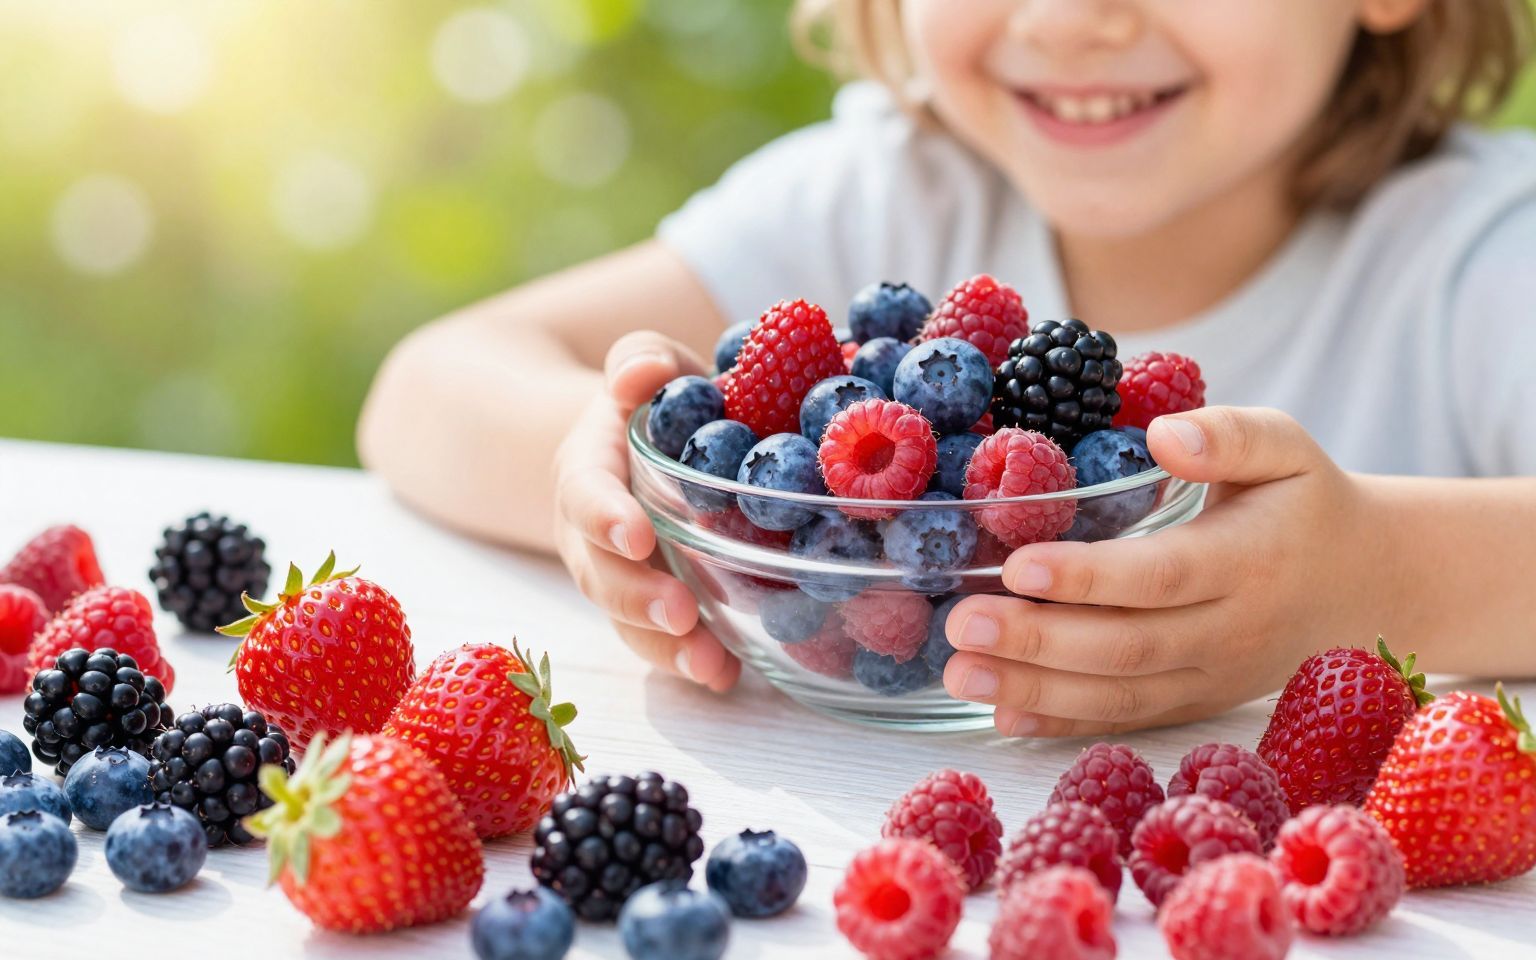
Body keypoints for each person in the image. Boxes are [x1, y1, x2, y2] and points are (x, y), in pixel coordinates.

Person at [358, 0, 1536, 738]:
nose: (1074, 19)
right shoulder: (874, 193)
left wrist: (1384, 578)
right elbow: (429, 383)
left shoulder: (1485, 259)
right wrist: (609, 472)